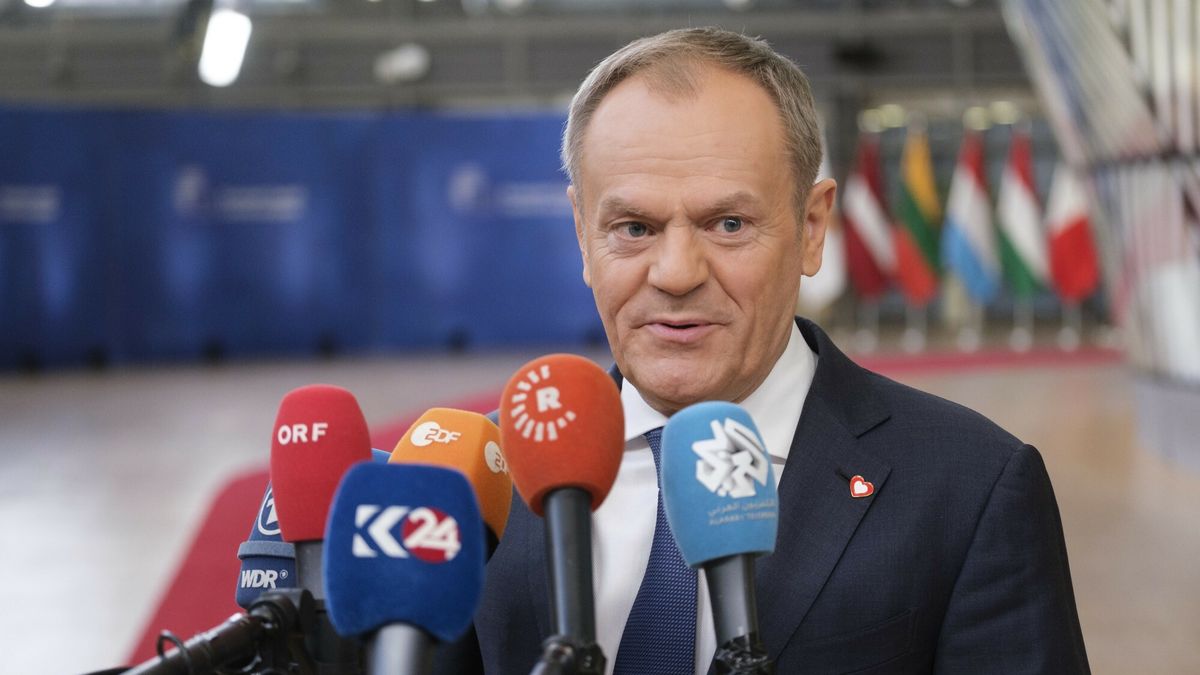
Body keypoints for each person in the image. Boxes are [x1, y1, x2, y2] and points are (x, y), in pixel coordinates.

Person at [474, 27, 1089, 674]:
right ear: (582, 235)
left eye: (728, 224)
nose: (676, 272)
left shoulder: (971, 486)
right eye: (634, 228)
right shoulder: (484, 480)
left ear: (812, 228)